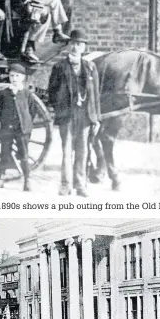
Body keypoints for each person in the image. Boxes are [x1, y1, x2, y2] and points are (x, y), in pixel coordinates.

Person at [47, 28, 102, 197]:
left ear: (84, 48)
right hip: (67, 115)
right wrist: (60, 109)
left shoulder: (91, 67)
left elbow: (95, 96)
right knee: (66, 152)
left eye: (79, 44)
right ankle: (65, 185)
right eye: (72, 43)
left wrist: (96, 119)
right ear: (68, 45)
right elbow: (52, 91)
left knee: (83, 151)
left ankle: (80, 185)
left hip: (85, 116)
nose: (75, 47)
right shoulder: (59, 67)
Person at [0, 62, 38, 192]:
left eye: (17, 76)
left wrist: (26, 124)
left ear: (23, 77)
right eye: (12, 76)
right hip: (7, 128)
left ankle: (27, 180)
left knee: (23, 155)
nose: (14, 79)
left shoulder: (26, 93)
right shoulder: (4, 93)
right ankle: (1, 178)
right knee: (4, 153)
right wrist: (2, 124)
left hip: (22, 129)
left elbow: (32, 111)